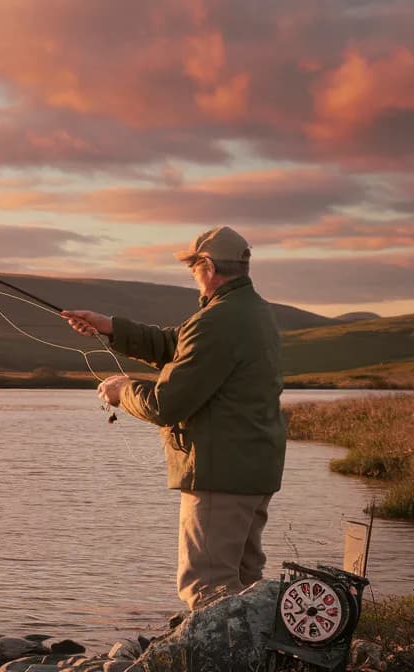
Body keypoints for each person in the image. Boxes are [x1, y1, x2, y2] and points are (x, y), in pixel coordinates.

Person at [61, 226, 286, 611]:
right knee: (246, 582)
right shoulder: (251, 311)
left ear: (208, 267)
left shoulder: (217, 319)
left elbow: (165, 404)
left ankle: (218, 652)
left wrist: (123, 391)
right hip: (251, 467)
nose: (193, 275)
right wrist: (108, 326)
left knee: (208, 587)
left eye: (193, 268)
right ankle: (255, 651)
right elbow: (175, 344)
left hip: (219, 471)